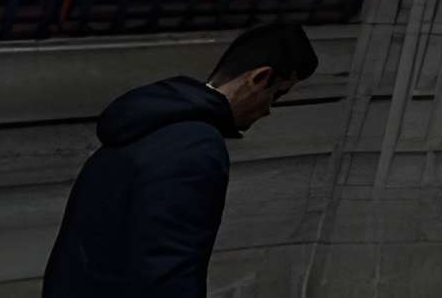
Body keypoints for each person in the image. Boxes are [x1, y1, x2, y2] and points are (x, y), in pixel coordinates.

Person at [44, 22, 317, 298]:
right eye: (277, 94)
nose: (268, 110)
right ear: (259, 78)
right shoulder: (195, 145)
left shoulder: (143, 126)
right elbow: (169, 264)